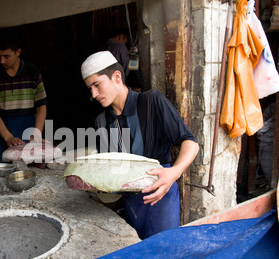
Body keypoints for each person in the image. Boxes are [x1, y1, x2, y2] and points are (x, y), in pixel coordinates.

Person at [81, 51, 199, 239]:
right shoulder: (102, 122)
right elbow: (108, 167)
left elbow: (190, 142)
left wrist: (174, 173)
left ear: (117, 77)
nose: (94, 94)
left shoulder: (151, 102)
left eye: (97, 85)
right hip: (130, 202)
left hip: (161, 194)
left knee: (163, 253)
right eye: (90, 88)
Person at [0, 33, 47, 162]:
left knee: (31, 165)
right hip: (3, 126)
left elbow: (41, 106)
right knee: (2, 165)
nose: (2, 61)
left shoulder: (32, 71)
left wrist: (37, 133)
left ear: (18, 52)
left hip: (28, 125)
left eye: (6, 56)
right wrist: (7, 137)